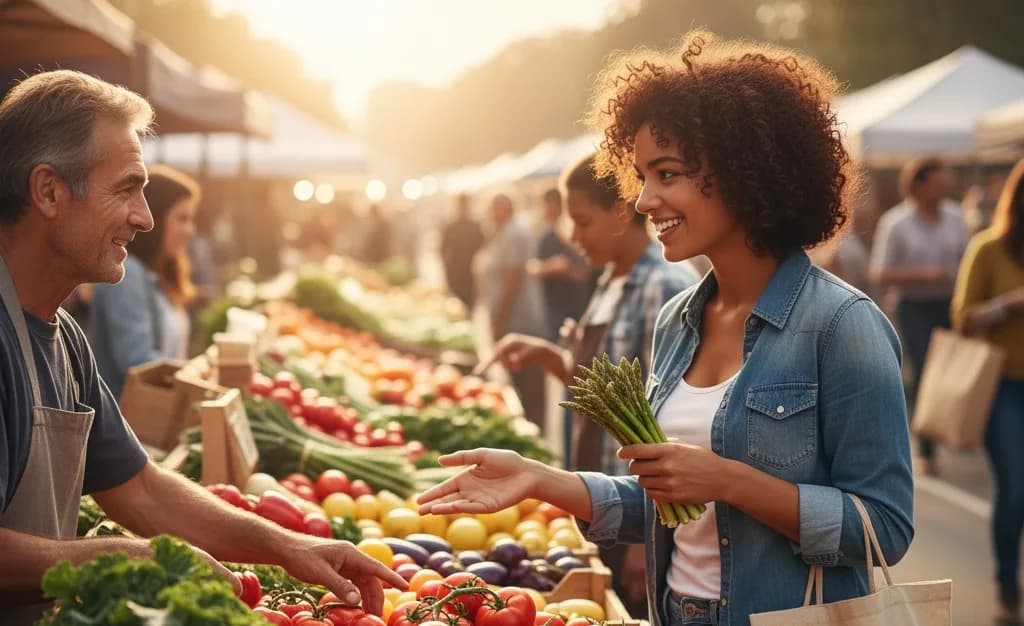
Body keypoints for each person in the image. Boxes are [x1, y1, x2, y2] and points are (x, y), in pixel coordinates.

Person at [417, 32, 913, 626]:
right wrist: (539, 479)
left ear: (746, 172)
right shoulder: (679, 319)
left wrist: (729, 481)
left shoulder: (842, 326)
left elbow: (883, 525)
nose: (646, 200)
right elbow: (664, 505)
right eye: (642, 176)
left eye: (668, 173)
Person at [0, 70, 406, 624]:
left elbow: (141, 490)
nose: (144, 218)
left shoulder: (65, 340)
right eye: (126, 188)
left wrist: (292, 546)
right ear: (48, 191)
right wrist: (127, 555)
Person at [482, 153, 698, 614]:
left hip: (639, 512)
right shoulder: (609, 281)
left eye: (582, 222)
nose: (572, 238)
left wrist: (647, 534)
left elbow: (671, 424)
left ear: (624, 211)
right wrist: (548, 357)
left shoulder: (664, 284)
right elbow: (607, 398)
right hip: (605, 501)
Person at [951, 158, 1024, 623]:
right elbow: (962, 317)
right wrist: (1008, 304)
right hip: (1004, 387)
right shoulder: (988, 249)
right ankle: (1006, 588)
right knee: (1015, 488)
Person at [869, 158, 968, 476]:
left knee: (951, 369)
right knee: (925, 365)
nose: (942, 190)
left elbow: (967, 257)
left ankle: (950, 426)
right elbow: (879, 272)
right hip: (912, 303)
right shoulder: (896, 222)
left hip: (949, 302)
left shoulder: (955, 216)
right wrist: (923, 274)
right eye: (937, 184)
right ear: (919, 185)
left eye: (944, 185)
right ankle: (926, 445)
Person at [90, 164, 199, 399]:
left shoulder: (158, 276)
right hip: (130, 425)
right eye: (182, 219)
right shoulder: (127, 274)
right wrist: (196, 372)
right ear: (157, 218)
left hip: (156, 420)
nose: (190, 230)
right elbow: (136, 361)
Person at [480, 193, 548, 430]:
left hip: (519, 318)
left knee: (528, 376)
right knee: (518, 375)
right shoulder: (502, 232)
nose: (490, 214)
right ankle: (530, 423)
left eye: (494, 209)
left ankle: (535, 427)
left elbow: (513, 277)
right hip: (511, 316)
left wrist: (499, 317)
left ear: (505, 209)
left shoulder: (514, 233)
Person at [528, 188, 594, 340]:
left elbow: (585, 272)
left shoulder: (573, 232)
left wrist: (567, 269)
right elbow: (533, 267)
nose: (543, 210)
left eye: (546, 205)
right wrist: (552, 267)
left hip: (576, 307)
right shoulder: (546, 236)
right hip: (554, 307)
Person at [440, 193, 485, 309]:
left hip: (471, 273)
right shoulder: (450, 226)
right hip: (455, 273)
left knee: (470, 305)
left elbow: (482, 248)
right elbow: (443, 250)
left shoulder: (475, 225)